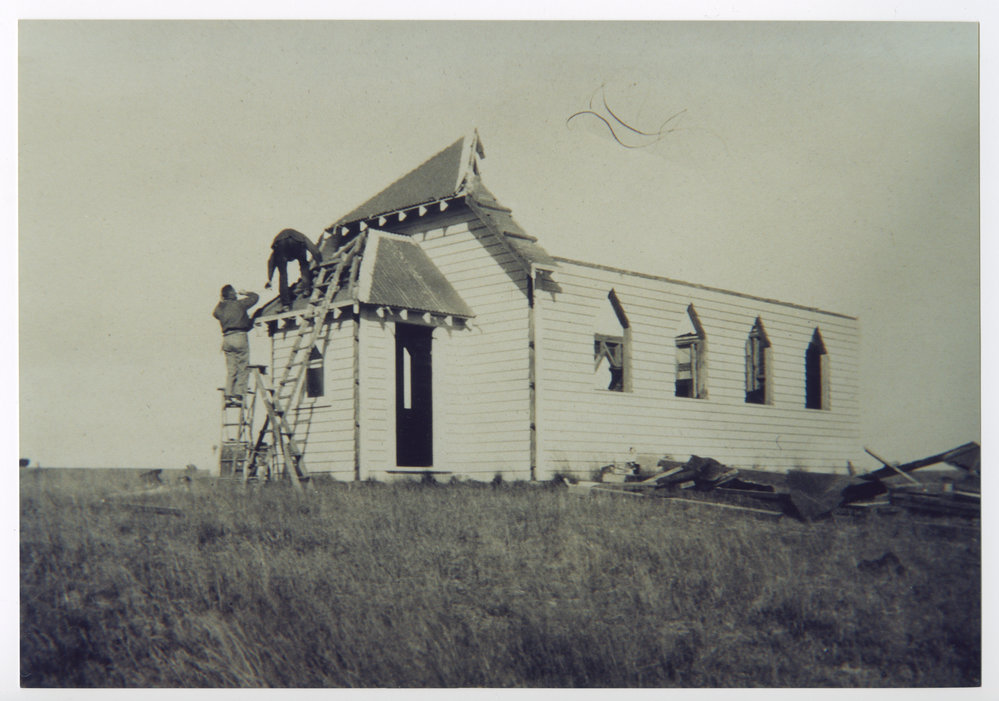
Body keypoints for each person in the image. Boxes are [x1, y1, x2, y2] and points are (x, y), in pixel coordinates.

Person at [213, 285, 259, 407]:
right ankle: (239, 395)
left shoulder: (221, 308)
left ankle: (228, 396)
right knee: (243, 367)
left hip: (227, 339)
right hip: (239, 336)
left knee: (231, 369)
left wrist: (221, 301)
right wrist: (245, 292)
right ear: (233, 294)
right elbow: (255, 297)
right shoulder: (240, 304)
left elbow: (215, 313)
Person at [266, 228, 323, 310]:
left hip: (280, 244)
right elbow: (315, 251)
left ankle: (285, 304)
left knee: (283, 274)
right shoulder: (301, 237)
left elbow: (271, 262)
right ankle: (307, 289)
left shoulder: (278, 247)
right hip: (297, 241)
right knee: (304, 265)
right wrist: (320, 263)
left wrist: (270, 279)